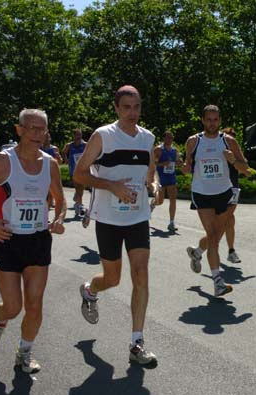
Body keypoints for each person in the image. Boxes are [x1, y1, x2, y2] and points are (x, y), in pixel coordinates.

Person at [0, 108, 66, 373]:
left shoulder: (51, 164)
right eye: (31, 128)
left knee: (34, 304)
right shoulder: (1, 162)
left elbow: (60, 199)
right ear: (19, 130)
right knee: (13, 307)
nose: (37, 134)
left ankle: (24, 353)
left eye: (42, 129)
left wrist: (58, 219)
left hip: (38, 241)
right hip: (7, 241)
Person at [74, 85, 162, 365]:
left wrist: (155, 185)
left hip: (137, 216)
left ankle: (137, 343)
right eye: (126, 107)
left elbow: (150, 172)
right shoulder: (103, 136)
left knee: (141, 274)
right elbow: (79, 174)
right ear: (116, 108)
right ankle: (90, 290)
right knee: (112, 279)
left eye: (136, 107)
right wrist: (110, 185)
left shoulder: (147, 138)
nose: (132, 113)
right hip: (109, 218)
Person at [182, 105, 250, 297]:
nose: (212, 123)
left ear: (219, 121)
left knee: (216, 235)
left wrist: (233, 161)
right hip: (202, 193)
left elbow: (246, 168)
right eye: (208, 119)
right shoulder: (193, 141)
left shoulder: (229, 141)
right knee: (212, 236)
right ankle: (217, 280)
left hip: (224, 193)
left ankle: (197, 253)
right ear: (202, 120)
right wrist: (186, 168)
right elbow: (188, 164)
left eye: (215, 119)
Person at [187, 127, 250, 264]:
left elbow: (246, 169)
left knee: (229, 221)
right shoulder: (210, 147)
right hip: (212, 191)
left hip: (232, 189)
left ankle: (230, 251)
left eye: (232, 138)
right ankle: (198, 252)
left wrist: (233, 160)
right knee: (218, 229)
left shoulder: (232, 149)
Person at [154, 130, 182, 231]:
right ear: (163, 138)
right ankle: (153, 204)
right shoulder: (158, 150)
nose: (170, 139)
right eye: (168, 137)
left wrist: (179, 162)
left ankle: (171, 222)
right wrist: (162, 164)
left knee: (173, 199)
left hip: (171, 177)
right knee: (160, 201)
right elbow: (152, 164)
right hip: (161, 177)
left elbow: (178, 162)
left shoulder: (175, 150)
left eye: (171, 137)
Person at [63, 128, 87, 216]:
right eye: (76, 135)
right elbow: (64, 152)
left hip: (83, 169)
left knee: (81, 188)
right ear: (73, 136)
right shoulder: (69, 145)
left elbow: (90, 153)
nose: (78, 136)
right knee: (78, 188)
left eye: (80, 134)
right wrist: (66, 160)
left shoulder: (85, 145)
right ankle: (79, 205)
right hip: (74, 170)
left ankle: (78, 202)